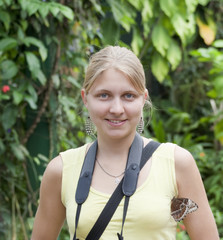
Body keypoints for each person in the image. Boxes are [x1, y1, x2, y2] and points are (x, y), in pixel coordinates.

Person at [31, 46, 219, 240]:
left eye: (128, 96)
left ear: (143, 99)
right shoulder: (61, 170)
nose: (116, 108)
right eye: (104, 95)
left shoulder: (176, 163)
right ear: (85, 99)